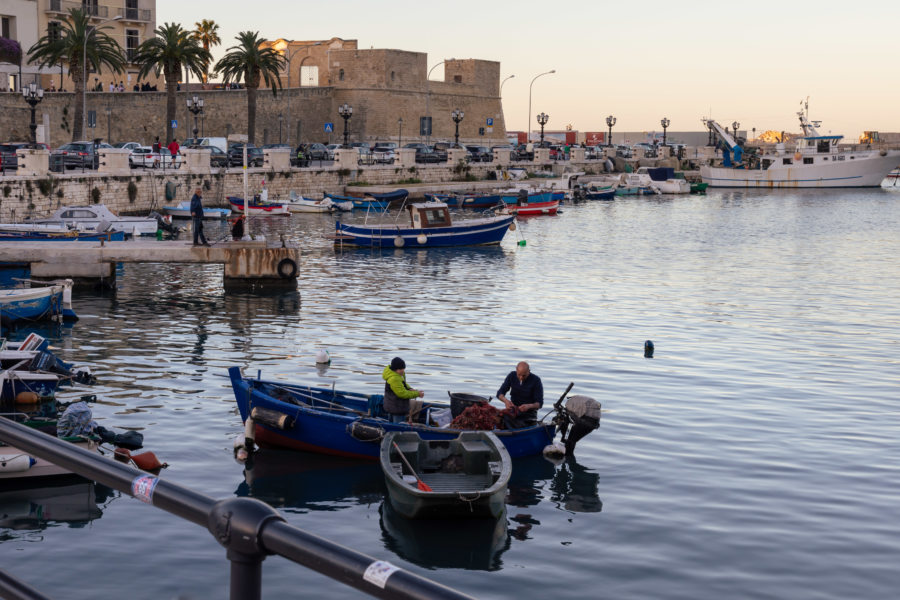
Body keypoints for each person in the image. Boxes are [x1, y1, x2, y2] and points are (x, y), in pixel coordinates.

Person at [496, 361, 543, 427]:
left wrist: (529, 406)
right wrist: (506, 401)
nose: (521, 378)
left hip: (529, 414)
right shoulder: (512, 375)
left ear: (528, 371)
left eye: (524, 375)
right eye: (519, 375)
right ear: (516, 370)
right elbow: (500, 393)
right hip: (513, 410)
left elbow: (539, 404)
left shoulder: (536, 380)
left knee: (509, 421)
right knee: (496, 416)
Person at [382, 357, 424, 424]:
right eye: (400, 369)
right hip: (396, 407)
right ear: (395, 369)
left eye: (403, 368)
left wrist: (409, 388)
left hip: (392, 405)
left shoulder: (397, 374)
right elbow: (402, 393)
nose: (402, 370)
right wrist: (417, 394)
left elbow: (402, 383)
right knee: (398, 427)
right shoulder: (394, 379)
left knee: (391, 423)